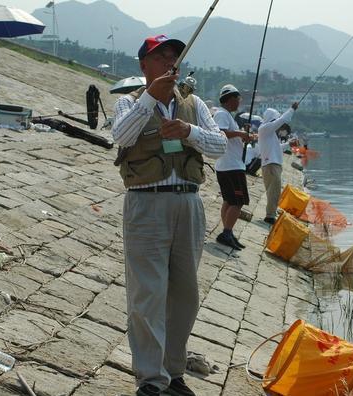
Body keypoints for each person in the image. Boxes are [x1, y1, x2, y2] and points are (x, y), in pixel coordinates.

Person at [111, 34, 227, 396]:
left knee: (185, 294)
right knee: (147, 293)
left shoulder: (194, 104)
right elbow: (122, 137)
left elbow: (221, 145)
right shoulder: (129, 104)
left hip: (188, 204)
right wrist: (151, 99)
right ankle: (150, 379)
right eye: (161, 58)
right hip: (146, 204)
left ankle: (174, 372)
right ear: (144, 65)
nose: (169, 64)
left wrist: (189, 132)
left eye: (174, 58)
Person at [213, 84, 251, 250]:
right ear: (231, 99)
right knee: (238, 201)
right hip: (231, 166)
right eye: (238, 98)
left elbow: (231, 136)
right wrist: (241, 134)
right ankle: (227, 232)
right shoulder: (222, 114)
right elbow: (220, 133)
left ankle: (227, 231)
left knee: (229, 200)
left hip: (228, 165)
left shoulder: (227, 115)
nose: (239, 102)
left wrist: (243, 134)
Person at [257, 102, 299, 224]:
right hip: (271, 165)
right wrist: (292, 109)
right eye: (275, 119)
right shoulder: (265, 128)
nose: (279, 125)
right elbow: (281, 120)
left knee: (273, 191)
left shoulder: (269, 134)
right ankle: (270, 216)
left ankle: (271, 213)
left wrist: (288, 144)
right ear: (272, 119)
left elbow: (276, 148)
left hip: (272, 164)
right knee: (273, 191)